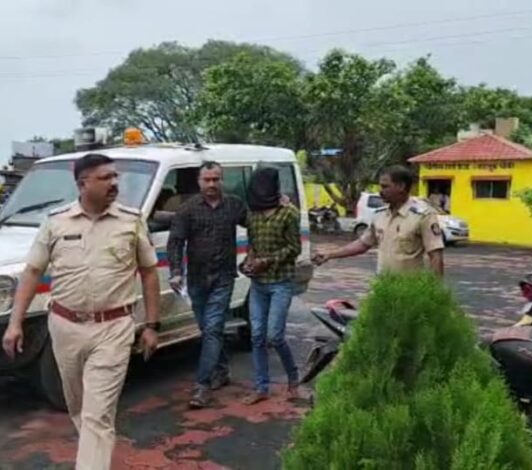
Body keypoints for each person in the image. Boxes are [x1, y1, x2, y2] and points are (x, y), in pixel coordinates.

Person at [2, 153, 161, 470]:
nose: (114, 183)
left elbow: (149, 272)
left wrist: (151, 324)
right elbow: (32, 271)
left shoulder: (131, 221)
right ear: (82, 183)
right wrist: (14, 323)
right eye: (105, 177)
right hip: (65, 326)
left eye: (115, 176)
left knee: (97, 414)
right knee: (77, 406)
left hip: (113, 328)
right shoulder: (56, 221)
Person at [167, 161, 248, 409]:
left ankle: (202, 386)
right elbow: (175, 242)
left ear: (222, 180)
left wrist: (278, 204)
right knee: (209, 329)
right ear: (199, 181)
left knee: (212, 329)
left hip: (224, 277)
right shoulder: (188, 209)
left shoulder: (234, 205)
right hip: (197, 280)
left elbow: (256, 225)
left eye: (216, 179)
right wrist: (176, 272)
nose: (212, 184)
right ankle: (221, 370)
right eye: (207, 180)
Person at [239, 167, 301, 405]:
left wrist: (267, 261)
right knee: (256, 336)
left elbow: (294, 248)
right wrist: (249, 262)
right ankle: (261, 387)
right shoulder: (252, 214)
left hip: (280, 282)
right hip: (258, 284)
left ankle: (293, 376)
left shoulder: (288, 213)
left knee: (274, 335)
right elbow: (252, 245)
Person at [313, 165, 445, 276]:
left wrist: (434, 292)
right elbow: (363, 244)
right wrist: (330, 254)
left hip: (410, 290)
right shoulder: (380, 215)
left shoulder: (423, 216)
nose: (380, 191)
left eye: (385, 186)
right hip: (383, 287)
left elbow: (436, 256)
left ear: (401, 186)